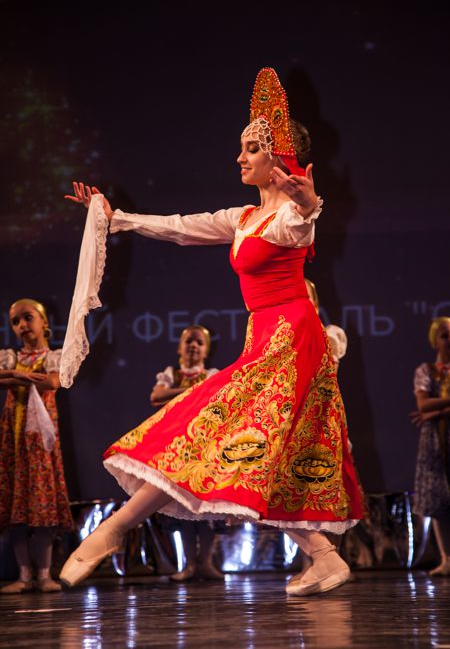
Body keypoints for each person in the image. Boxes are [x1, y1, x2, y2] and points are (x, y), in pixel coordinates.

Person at [60, 67, 364, 596]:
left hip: (291, 340)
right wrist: (116, 217)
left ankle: (113, 530)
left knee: (214, 432)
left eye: (251, 149)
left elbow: (303, 223)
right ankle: (325, 556)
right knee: (250, 451)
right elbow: (182, 228)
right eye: (241, 148)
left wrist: (310, 202)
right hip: (266, 338)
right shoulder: (244, 218)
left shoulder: (288, 216)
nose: (240, 158)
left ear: (278, 158)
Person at [0, 299, 73, 594]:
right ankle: (24, 575)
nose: (22, 325)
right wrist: (18, 375)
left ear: (44, 322)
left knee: (42, 505)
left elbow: (53, 382)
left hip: (40, 439)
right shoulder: (11, 358)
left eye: (28, 318)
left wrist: (15, 378)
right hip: (14, 437)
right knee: (16, 506)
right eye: (15, 321)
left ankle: (44, 574)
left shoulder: (53, 356)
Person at [151, 325, 222, 580]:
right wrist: (192, 391)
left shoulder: (211, 374)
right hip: (178, 445)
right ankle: (190, 564)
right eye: (189, 341)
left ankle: (206, 562)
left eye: (199, 343)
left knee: (206, 509)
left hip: (205, 447)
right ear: (179, 348)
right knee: (184, 508)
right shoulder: (172, 374)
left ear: (206, 351)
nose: (193, 345)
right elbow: (156, 396)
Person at [410, 316, 450, 576]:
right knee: (438, 498)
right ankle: (447, 558)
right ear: (435, 340)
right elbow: (423, 404)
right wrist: (435, 410)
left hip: (438, 427)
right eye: (444, 335)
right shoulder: (426, 370)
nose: (449, 340)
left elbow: (429, 409)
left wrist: (437, 411)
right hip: (436, 440)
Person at [305, 278, 348, 366]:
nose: (298, 304)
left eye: (305, 297)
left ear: (316, 307)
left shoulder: (329, 340)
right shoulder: (276, 341)